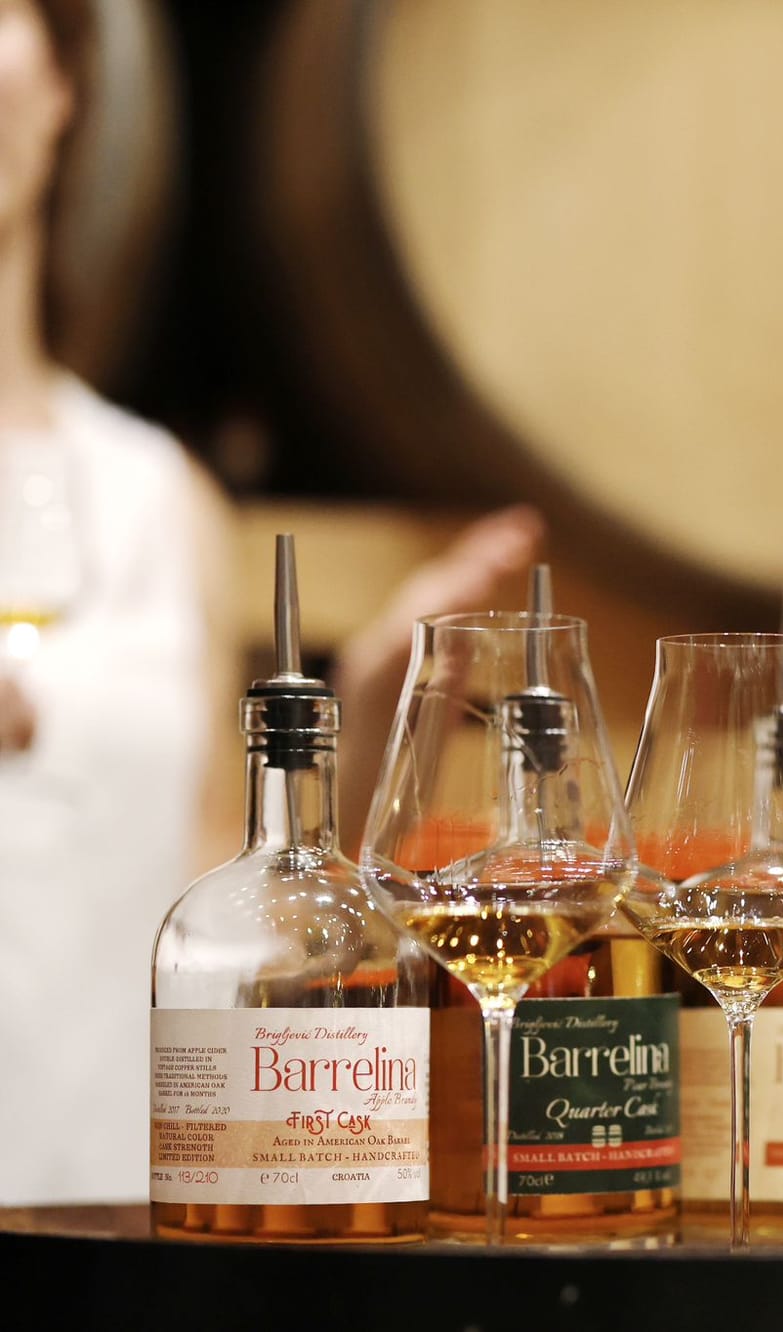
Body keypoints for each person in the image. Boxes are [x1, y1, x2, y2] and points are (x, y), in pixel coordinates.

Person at [0, 0, 545, 1205]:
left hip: (110, 1203)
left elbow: (218, 907)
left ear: (65, 87)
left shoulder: (153, 495)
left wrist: (347, 731)